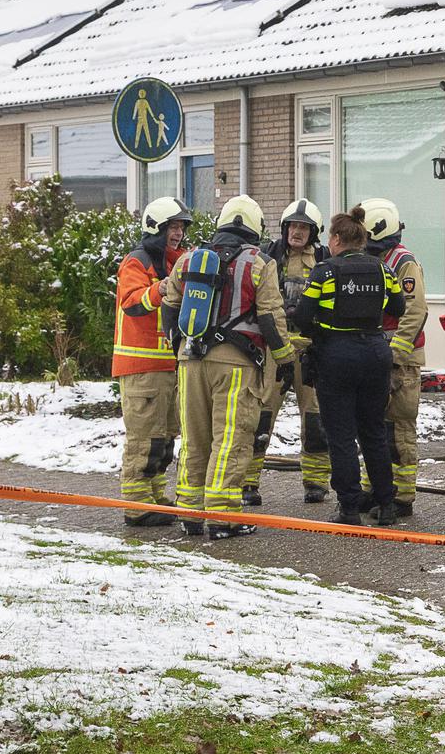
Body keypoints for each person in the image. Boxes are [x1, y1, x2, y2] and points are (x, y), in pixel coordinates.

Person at [156, 194, 296, 540]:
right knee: (231, 438)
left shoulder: (188, 259)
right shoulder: (260, 263)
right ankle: (222, 517)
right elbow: (270, 317)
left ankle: (190, 510)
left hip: (190, 361)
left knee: (195, 436)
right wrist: (286, 359)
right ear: (254, 228)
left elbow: (169, 306)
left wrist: (179, 347)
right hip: (236, 366)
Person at [291, 206, 407, 526]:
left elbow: (302, 317)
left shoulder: (325, 271)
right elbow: (398, 307)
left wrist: (319, 332)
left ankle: (349, 508)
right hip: (375, 353)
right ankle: (386, 504)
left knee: (341, 434)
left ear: (338, 238)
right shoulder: (384, 270)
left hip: (336, 357)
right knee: (373, 431)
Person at [243, 198, 331, 506]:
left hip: (310, 349)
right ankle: (248, 482)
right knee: (261, 415)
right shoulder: (268, 255)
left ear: (313, 232)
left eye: (304, 227)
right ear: (284, 227)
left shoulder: (324, 258)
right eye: (293, 225)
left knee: (316, 418)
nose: (297, 232)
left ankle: (317, 482)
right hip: (274, 349)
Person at [112, 197, 192, 528]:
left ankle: (156, 495)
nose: (178, 234)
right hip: (141, 367)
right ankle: (135, 504)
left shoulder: (177, 263)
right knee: (144, 437)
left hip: (168, 366)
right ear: (156, 229)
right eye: (172, 228)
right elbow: (132, 303)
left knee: (164, 436)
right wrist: (162, 288)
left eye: (181, 228)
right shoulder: (136, 262)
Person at [358, 197, 427, 517]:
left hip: (401, 360)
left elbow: (415, 312)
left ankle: (402, 496)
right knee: (372, 426)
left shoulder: (403, 262)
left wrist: (395, 354)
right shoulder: (371, 258)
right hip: (373, 355)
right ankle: (373, 487)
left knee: (398, 428)